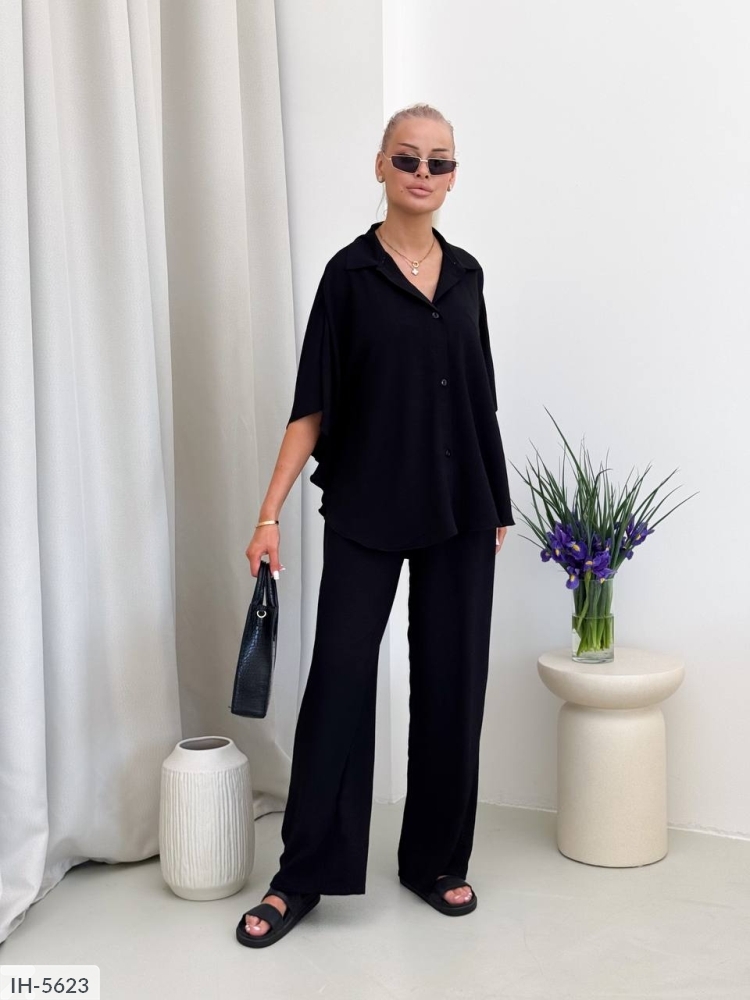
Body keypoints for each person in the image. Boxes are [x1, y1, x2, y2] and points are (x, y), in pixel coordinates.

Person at [235, 103, 514, 949]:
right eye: (409, 158)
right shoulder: (348, 277)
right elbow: (311, 406)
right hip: (368, 503)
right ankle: (301, 877)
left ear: (454, 176)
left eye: (440, 162)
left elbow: (481, 396)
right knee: (341, 681)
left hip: (462, 508)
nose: (424, 174)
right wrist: (269, 512)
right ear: (382, 166)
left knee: (453, 683)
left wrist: (497, 501)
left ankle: (434, 860)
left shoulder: (466, 276)